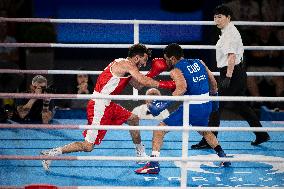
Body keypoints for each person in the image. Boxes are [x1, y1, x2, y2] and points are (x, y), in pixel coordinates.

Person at [40, 43, 175, 171]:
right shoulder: (126, 64)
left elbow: (138, 85)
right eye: (144, 60)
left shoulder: (126, 66)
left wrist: (153, 72)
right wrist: (168, 84)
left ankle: (140, 154)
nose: (145, 64)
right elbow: (144, 81)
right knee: (88, 146)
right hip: (99, 106)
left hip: (108, 103)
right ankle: (51, 153)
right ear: (136, 57)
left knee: (133, 119)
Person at [135, 43, 230, 174]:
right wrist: (215, 103)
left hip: (191, 107)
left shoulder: (175, 70)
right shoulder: (199, 62)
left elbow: (181, 88)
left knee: (159, 130)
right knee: (204, 131)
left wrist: (164, 104)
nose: (166, 63)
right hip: (206, 104)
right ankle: (223, 155)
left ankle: (153, 164)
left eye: (167, 60)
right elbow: (213, 83)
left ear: (173, 58)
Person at [191, 5, 270, 150]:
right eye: (215, 17)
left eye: (220, 16)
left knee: (215, 106)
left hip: (231, 74)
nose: (217, 19)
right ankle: (261, 134)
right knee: (241, 107)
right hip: (235, 74)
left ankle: (209, 140)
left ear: (228, 17)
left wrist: (227, 77)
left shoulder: (229, 33)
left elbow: (231, 57)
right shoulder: (228, 31)